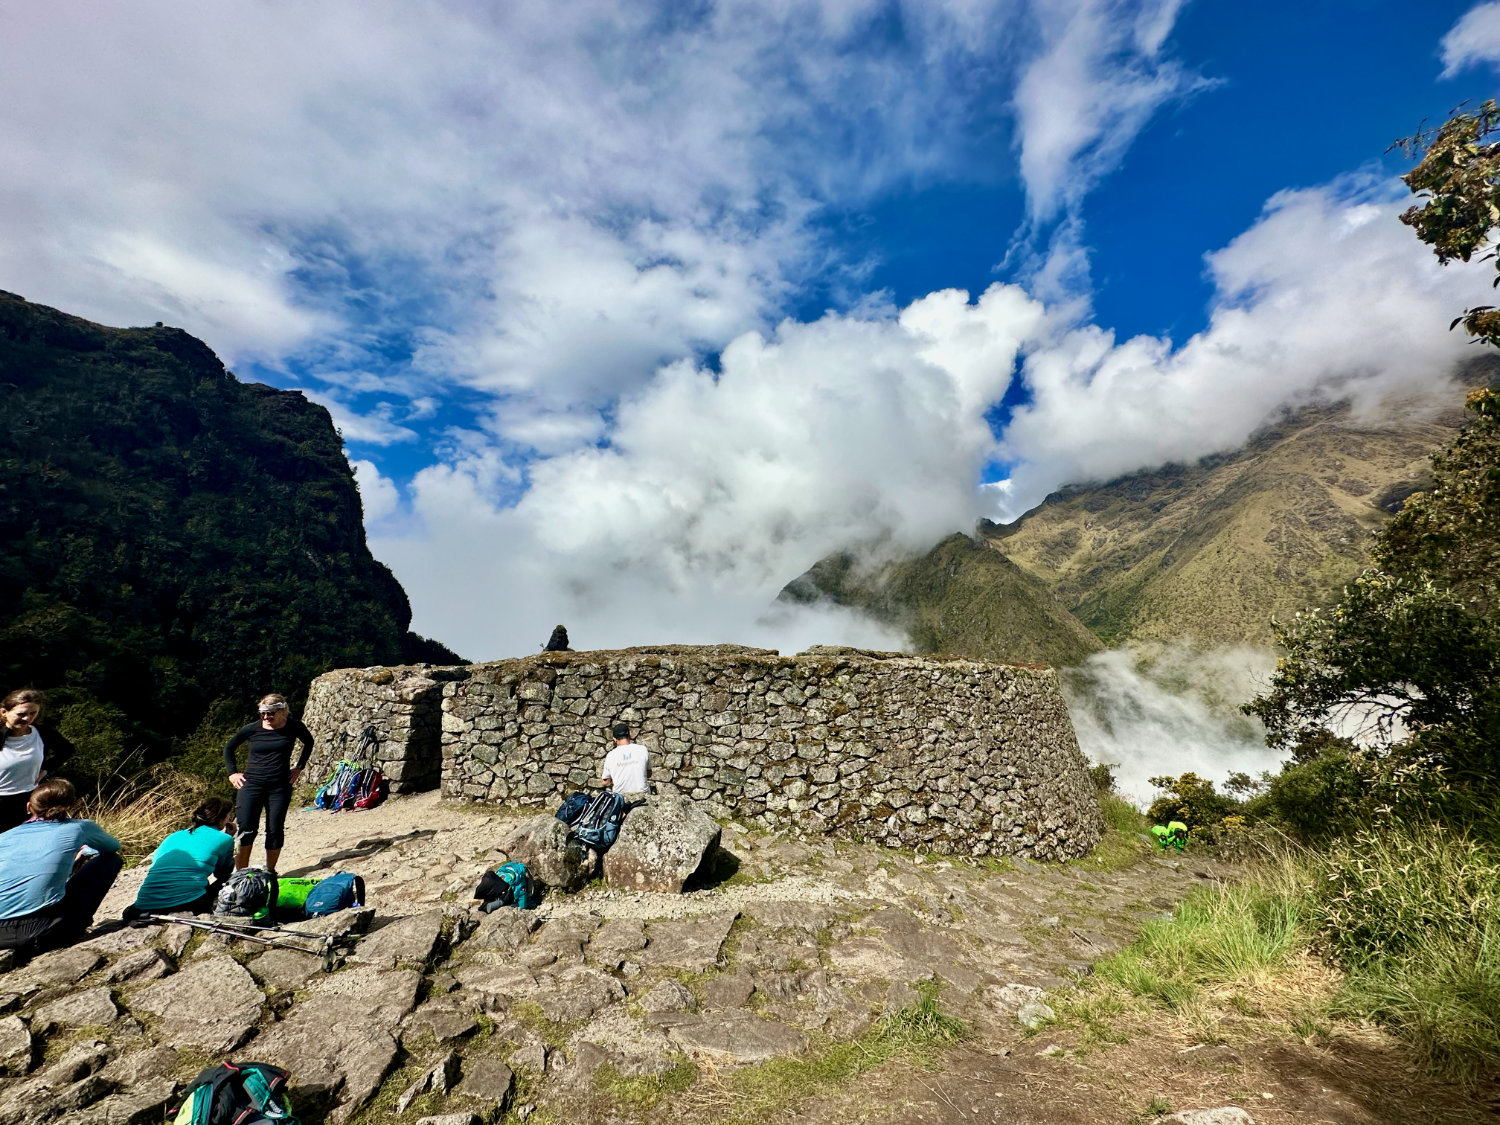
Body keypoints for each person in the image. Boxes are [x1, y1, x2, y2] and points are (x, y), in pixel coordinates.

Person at [0, 778, 123, 959]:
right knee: (111, 860)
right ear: (71, 805)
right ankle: (77, 925)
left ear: (28, 807)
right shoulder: (80, 827)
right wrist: (84, 851)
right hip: (43, 931)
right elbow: (112, 847)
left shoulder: (5, 837)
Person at [223, 694, 313, 874]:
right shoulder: (251, 729)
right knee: (246, 829)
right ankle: (241, 874)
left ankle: (270, 871)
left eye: (270, 714)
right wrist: (232, 773)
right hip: (251, 785)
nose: (266, 718)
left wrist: (299, 767)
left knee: (275, 829)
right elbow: (229, 748)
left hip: (279, 786)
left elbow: (309, 742)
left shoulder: (294, 727)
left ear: (282, 711)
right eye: (262, 713)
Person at [123, 797, 236, 921]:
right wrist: (229, 837)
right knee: (232, 879)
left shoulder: (174, 836)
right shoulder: (224, 839)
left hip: (145, 904)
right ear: (222, 818)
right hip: (186, 903)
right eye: (228, 816)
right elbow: (222, 874)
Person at [0, 689, 75, 835]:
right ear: (4, 712)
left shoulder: (42, 733)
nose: (27, 718)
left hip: (29, 799)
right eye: (21, 714)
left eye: (32, 713)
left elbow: (66, 750)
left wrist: (46, 769)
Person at [601, 722, 650, 797]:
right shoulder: (642, 749)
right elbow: (649, 773)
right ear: (629, 735)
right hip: (643, 796)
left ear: (614, 739)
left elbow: (605, 782)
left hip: (621, 798)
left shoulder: (611, 755)